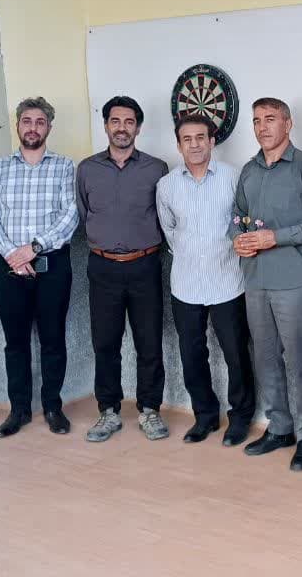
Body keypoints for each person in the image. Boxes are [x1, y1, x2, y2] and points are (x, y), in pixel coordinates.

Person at [230, 98, 302, 471]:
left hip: (294, 281)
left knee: (301, 360)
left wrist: (276, 237)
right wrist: (237, 239)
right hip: (255, 280)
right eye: (257, 120)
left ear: (288, 124)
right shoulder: (249, 170)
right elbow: (237, 215)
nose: (263, 127)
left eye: (270, 119)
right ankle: (279, 428)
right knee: (265, 357)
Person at [0, 96, 80, 438]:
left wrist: (32, 249)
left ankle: (53, 407)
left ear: (49, 127)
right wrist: (13, 254)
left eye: (40, 122)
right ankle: (19, 410)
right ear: (18, 125)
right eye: (27, 121)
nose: (33, 128)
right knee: (15, 342)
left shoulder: (64, 166)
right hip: (8, 267)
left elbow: (70, 215)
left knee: (53, 339)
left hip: (52, 265)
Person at [157, 114, 256, 445]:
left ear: (212, 141)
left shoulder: (233, 177)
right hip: (185, 284)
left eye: (201, 137)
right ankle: (205, 416)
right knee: (192, 355)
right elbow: (169, 230)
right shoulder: (167, 186)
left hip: (228, 281)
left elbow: (243, 222)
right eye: (187, 139)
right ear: (179, 145)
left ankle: (240, 418)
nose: (195, 144)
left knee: (236, 354)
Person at [77, 96, 171, 442]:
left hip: (145, 265)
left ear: (138, 128)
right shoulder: (87, 169)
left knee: (149, 342)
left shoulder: (156, 169)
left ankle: (150, 410)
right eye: (115, 121)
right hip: (102, 268)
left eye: (129, 122)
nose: (122, 128)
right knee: (105, 343)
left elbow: (164, 215)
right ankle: (109, 412)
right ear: (106, 125)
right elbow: (84, 213)